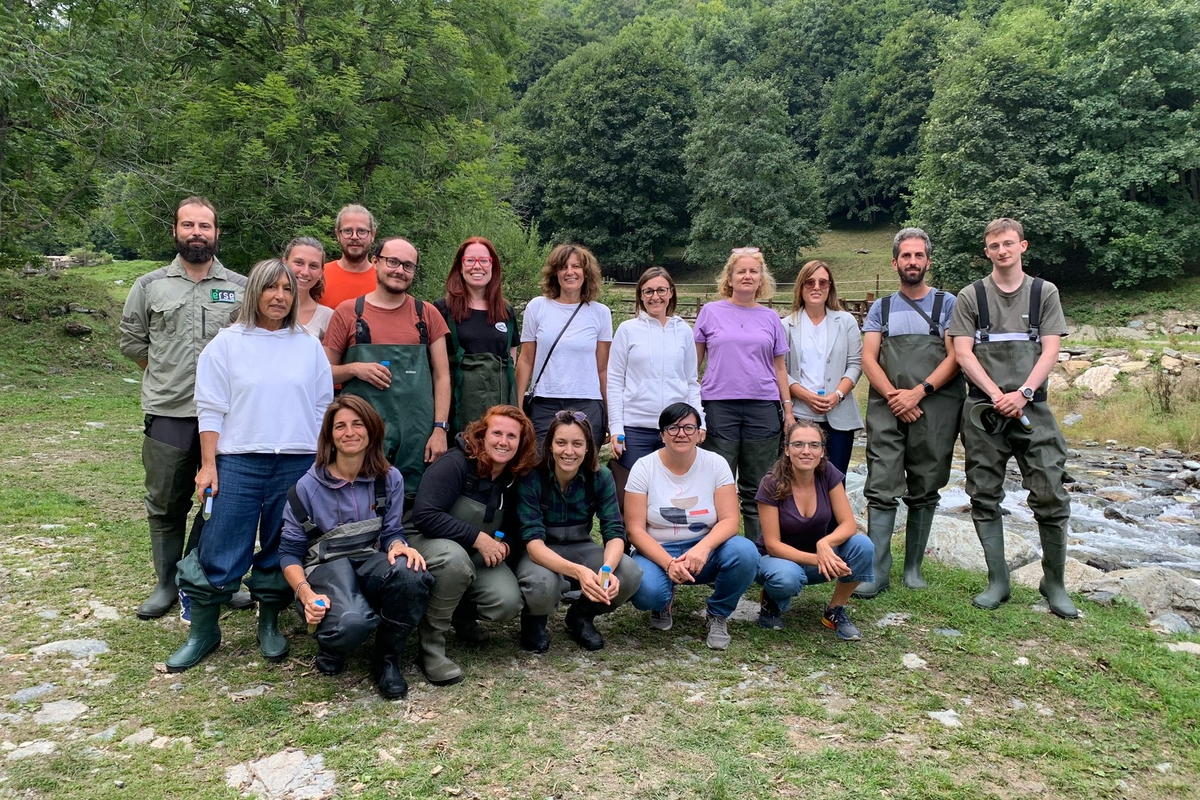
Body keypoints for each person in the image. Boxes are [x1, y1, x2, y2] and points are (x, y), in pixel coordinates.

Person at [167, 259, 333, 672]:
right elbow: (210, 408)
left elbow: (320, 407)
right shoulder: (226, 344)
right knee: (221, 543)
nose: (279, 297)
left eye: (287, 290)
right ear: (253, 292)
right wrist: (208, 465)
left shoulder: (307, 344)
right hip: (238, 460)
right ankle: (204, 630)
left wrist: (317, 462)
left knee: (282, 544)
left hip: (295, 462)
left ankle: (270, 621)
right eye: (270, 288)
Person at [119, 196, 247, 621]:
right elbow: (134, 342)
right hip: (170, 412)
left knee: (225, 502)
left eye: (205, 226)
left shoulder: (241, 287)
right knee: (166, 502)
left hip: (229, 416)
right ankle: (166, 582)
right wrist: (165, 376)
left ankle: (214, 576)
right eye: (188, 225)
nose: (197, 233)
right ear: (175, 231)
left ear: (217, 233)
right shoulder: (150, 286)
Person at [949, 218, 1078, 618]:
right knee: (983, 492)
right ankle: (998, 580)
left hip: (1032, 407)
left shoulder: (1044, 293)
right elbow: (963, 352)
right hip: (983, 410)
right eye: (993, 246)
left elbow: (1051, 349)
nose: (1001, 251)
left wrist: (1022, 394)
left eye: (1008, 244)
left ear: (1022, 246)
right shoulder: (971, 296)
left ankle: (1054, 582)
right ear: (986, 251)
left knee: (1050, 491)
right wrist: (995, 395)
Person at [280, 396, 433, 699]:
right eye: (340, 426)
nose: (349, 432)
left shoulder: (390, 479)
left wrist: (399, 546)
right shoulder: (305, 488)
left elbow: (392, 531)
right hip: (325, 569)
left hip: (368, 561)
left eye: (357, 424)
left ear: (372, 431)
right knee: (351, 624)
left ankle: (387, 659)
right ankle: (333, 642)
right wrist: (305, 593)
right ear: (330, 436)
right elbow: (288, 553)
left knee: (411, 573)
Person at [854, 229, 964, 598]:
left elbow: (956, 356)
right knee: (881, 484)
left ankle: (913, 568)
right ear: (895, 262)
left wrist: (918, 393)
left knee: (926, 482)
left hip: (935, 405)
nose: (912, 262)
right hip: (887, 407)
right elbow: (869, 357)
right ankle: (875, 570)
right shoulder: (880, 308)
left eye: (919, 256)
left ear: (928, 261)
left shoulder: (948, 304)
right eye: (906, 256)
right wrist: (894, 396)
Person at [409, 405, 539, 685]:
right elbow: (425, 515)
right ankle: (431, 648)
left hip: (474, 552)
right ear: (482, 434)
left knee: (506, 602)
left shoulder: (515, 477)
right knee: (455, 561)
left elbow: (517, 525)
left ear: (521, 443)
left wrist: (506, 545)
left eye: (512, 436)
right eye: (497, 433)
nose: (503, 442)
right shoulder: (455, 463)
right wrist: (479, 538)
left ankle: (460, 615)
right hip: (427, 542)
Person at [323, 237, 452, 505]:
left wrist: (440, 428)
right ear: (375, 262)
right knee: (359, 498)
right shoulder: (348, 313)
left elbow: (442, 376)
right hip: (361, 433)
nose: (399, 270)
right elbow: (323, 374)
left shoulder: (427, 314)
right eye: (392, 262)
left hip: (417, 433)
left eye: (408, 266)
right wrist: (354, 368)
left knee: (412, 502)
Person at [626, 403, 759, 650]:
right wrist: (668, 562)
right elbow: (634, 530)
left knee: (745, 552)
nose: (681, 433)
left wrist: (704, 547)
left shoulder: (716, 464)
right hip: (658, 549)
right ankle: (662, 601)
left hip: (704, 550)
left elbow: (731, 520)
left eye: (689, 427)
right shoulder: (643, 467)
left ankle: (718, 614)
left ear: (700, 433)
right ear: (662, 434)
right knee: (647, 593)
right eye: (673, 428)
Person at [516, 411, 642, 652]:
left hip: (581, 546)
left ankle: (581, 616)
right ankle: (534, 619)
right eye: (561, 443)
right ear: (550, 446)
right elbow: (533, 545)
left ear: (587, 448)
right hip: (540, 551)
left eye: (577, 444)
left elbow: (614, 531)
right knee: (541, 583)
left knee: (630, 573)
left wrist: (607, 570)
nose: (568, 451)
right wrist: (580, 572)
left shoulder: (601, 477)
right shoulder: (531, 477)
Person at [693, 247, 791, 542]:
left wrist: (788, 410)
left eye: (753, 271)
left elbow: (780, 368)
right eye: (741, 271)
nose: (747, 276)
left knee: (758, 485)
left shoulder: (771, 318)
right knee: (717, 482)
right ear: (730, 278)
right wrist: (692, 406)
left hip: (762, 409)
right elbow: (692, 365)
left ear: (761, 278)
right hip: (719, 407)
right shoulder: (710, 312)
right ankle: (715, 551)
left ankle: (758, 552)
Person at [754, 421, 873, 640]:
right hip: (775, 560)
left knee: (863, 546)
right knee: (786, 577)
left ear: (822, 451)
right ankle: (771, 599)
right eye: (798, 444)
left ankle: (835, 610)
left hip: (819, 557)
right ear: (787, 450)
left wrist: (825, 544)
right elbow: (772, 544)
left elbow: (848, 524)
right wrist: (819, 559)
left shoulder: (827, 473)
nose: (806, 451)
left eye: (814, 445)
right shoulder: (771, 482)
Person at [607, 267, 703, 506]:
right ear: (640, 295)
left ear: (671, 293)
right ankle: (630, 543)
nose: (655, 296)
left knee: (670, 494)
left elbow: (691, 381)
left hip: (675, 428)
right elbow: (615, 381)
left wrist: (699, 420)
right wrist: (616, 426)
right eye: (648, 291)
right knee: (631, 495)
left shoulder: (683, 331)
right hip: (635, 428)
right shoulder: (627, 330)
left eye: (661, 290)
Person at [515, 244, 612, 452]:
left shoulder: (600, 313)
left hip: (588, 402)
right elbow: (525, 360)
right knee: (540, 463)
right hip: (544, 402)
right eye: (563, 267)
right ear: (554, 273)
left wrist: (610, 416)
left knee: (583, 466)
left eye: (576, 266)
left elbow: (603, 369)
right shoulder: (537, 307)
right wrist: (517, 405)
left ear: (586, 273)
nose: (570, 272)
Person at [783, 260, 863, 477]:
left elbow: (855, 364)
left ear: (830, 287)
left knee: (835, 482)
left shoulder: (846, 322)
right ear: (800, 286)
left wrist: (837, 395)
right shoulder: (785, 325)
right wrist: (805, 395)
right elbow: (779, 370)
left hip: (839, 417)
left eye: (822, 282)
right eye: (810, 282)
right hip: (800, 414)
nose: (816, 287)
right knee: (799, 482)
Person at [433, 237, 519, 435]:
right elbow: (437, 371)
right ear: (460, 266)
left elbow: (511, 364)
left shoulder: (506, 312)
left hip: (499, 413)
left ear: (493, 266)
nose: (477, 267)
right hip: (458, 413)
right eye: (470, 260)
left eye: (484, 261)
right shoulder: (442, 309)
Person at [320, 204, 379, 311]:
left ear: (373, 235)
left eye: (362, 231)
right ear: (338, 234)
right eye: (347, 231)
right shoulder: (319, 276)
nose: (355, 237)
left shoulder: (383, 279)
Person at [283, 236, 334, 340]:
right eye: (299, 263)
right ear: (284, 263)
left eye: (313, 266)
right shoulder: (264, 306)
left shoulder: (327, 317)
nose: (305, 272)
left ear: (321, 272)